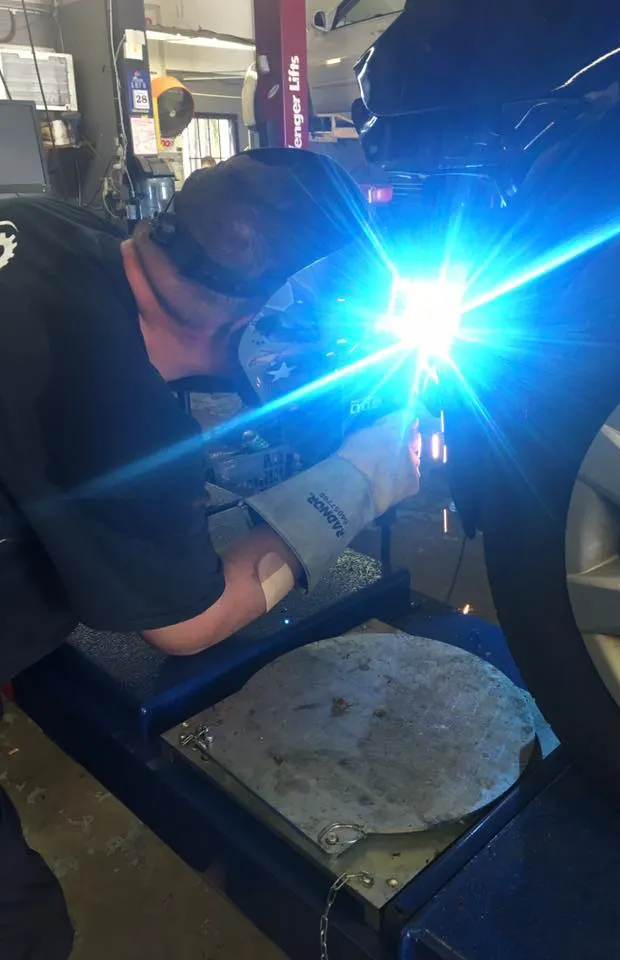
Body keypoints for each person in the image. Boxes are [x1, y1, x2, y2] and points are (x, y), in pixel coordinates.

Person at [0, 147, 420, 959]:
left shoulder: (54, 224)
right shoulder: (113, 407)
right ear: (263, 329)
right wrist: (362, 482)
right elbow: (189, 622)